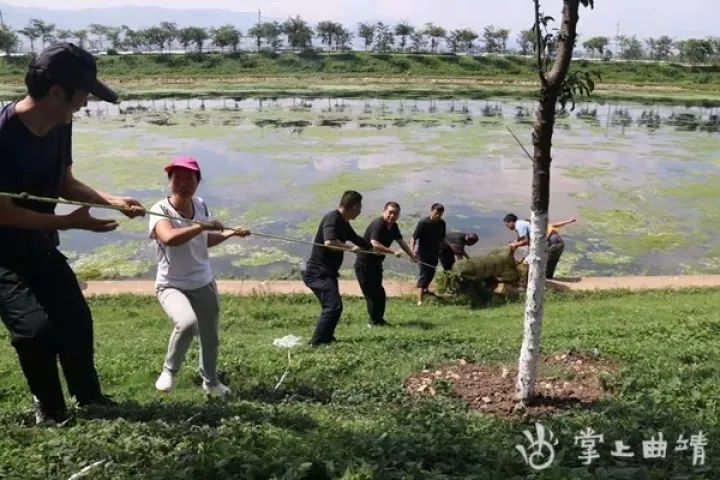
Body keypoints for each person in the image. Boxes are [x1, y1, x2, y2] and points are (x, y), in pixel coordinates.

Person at [0, 42, 146, 426]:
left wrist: (111, 200)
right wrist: (69, 222)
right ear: (56, 92)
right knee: (35, 332)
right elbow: (5, 213)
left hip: (41, 246)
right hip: (3, 254)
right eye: (81, 95)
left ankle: (90, 399)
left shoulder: (59, 125)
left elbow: (65, 183)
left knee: (76, 322)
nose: (84, 104)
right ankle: (50, 412)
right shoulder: (2, 134)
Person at [149, 156, 250, 396]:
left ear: (198, 181)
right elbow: (169, 239)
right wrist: (202, 226)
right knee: (186, 323)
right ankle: (170, 370)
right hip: (171, 285)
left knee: (210, 338)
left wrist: (230, 233)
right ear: (170, 181)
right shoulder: (159, 209)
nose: (183, 183)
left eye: (189, 178)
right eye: (177, 178)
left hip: (203, 282)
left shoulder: (200, 205)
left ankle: (211, 381)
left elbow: (203, 241)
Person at [302, 191, 372, 346]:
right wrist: (350, 248)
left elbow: (357, 239)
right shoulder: (332, 218)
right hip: (317, 272)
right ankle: (318, 343)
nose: (360, 210)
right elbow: (329, 242)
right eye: (360, 206)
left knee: (333, 307)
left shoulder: (344, 223)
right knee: (333, 306)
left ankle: (326, 338)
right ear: (354, 206)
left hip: (328, 272)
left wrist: (372, 248)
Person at [354, 202, 415, 327]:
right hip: (364, 264)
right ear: (384, 212)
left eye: (395, 213)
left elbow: (401, 242)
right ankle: (373, 322)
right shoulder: (378, 224)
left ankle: (378, 320)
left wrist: (412, 255)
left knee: (380, 293)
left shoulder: (394, 226)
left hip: (376, 264)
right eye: (390, 212)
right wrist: (393, 252)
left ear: (398, 215)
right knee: (371, 294)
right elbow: (374, 243)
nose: (392, 215)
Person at [410, 203, 447, 306]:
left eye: (440, 214)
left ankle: (425, 290)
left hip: (434, 252)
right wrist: (412, 252)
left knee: (431, 273)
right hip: (423, 253)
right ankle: (419, 301)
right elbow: (414, 237)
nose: (438, 216)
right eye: (436, 213)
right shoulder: (424, 222)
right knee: (424, 275)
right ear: (431, 211)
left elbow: (441, 239)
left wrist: (445, 250)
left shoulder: (442, 223)